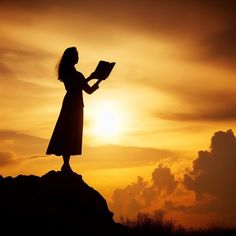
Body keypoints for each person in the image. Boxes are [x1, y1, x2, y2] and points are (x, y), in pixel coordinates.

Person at [46, 47, 102, 172]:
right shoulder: (70, 73)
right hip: (72, 104)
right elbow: (78, 86)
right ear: (71, 57)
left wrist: (97, 79)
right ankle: (66, 165)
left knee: (71, 133)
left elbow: (87, 90)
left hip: (74, 104)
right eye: (76, 55)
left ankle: (66, 164)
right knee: (68, 132)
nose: (77, 58)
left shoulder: (72, 73)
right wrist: (93, 77)